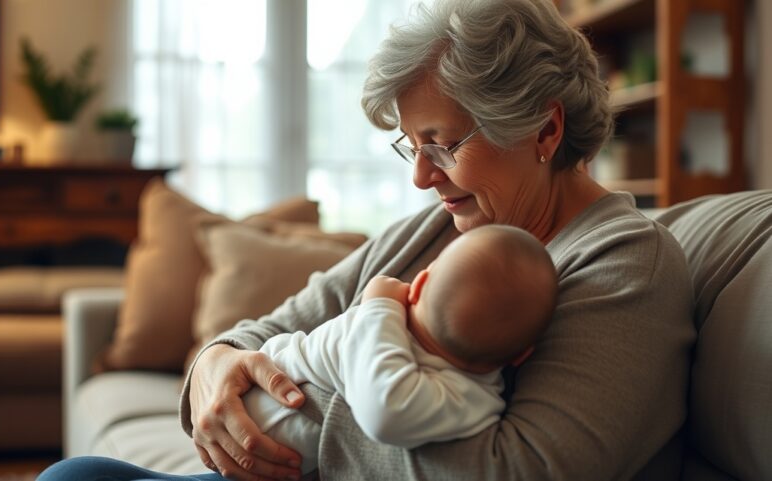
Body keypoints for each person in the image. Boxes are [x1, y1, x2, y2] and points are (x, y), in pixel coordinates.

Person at [38, 0, 695, 479]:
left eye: (442, 145)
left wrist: (326, 385)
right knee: (78, 475)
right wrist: (213, 367)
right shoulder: (442, 228)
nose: (419, 176)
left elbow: (515, 471)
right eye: (410, 147)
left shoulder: (625, 263)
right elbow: (255, 334)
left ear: (545, 132)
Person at [241, 224, 557, 476]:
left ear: (417, 286)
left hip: (259, 446)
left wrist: (380, 304)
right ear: (522, 355)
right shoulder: (474, 400)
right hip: (248, 413)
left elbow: (385, 411)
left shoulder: (378, 326)